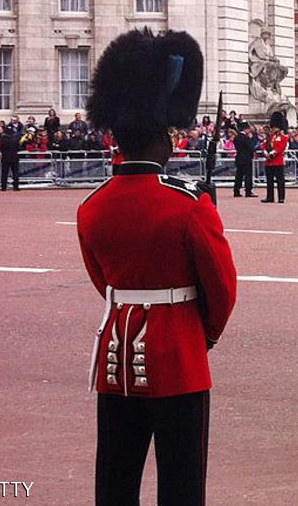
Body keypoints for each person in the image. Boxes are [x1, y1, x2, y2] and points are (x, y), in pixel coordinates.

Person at [78, 28, 237, 506]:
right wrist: (202, 334)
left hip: (115, 360)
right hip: (177, 358)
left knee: (115, 481)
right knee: (182, 485)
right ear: (161, 136)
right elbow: (222, 287)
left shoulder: (92, 206)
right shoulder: (188, 206)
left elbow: (101, 279)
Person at [261, 111, 288, 204]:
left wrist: (272, 153)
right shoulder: (269, 137)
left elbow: (281, 147)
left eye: (275, 127)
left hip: (278, 162)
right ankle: (270, 197)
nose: (273, 129)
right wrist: (265, 153)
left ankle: (281, 198)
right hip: (269, 162)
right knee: (269, 181)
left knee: (280, 181)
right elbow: (264, 146)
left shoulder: (283, 137)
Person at [230, 127, 256, 198]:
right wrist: (250, 139)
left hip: (239, 158)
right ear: (245, 129)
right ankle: (248, 191)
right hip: (246, 159)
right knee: (248, 176)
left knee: (239, 175)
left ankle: (236, 190)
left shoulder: (236, 138)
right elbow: (251, 148)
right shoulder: (246, 138)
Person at [0, 124, 22, 191]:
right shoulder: (15, 139)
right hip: (14, 157)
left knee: (4, 173)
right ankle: (16, 186)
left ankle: (3, 187)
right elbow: (18, 148)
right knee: (15, 173)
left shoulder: (2, 139)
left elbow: (1, 148)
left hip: (5, 157)